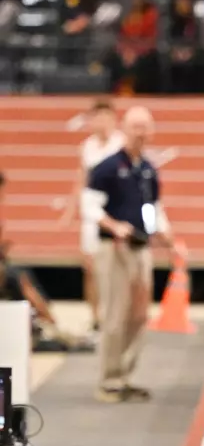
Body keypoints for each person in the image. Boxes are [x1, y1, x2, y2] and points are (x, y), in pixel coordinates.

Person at [86, 107, 182, 403]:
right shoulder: (106, 168)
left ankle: (125, 374)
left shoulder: (148, 169)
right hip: (115, 249)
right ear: (124, 129)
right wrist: (114, 226)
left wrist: (163, 233)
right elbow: (90, 207)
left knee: (139, 314)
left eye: (145, 127)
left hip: (142, 248)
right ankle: (109, 379)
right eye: (135, 127)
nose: (141, 133)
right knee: (116, 313)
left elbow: (151, 207)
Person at [63, 100, 124, 331]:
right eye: (98, 117)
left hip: (115, 211)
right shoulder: (87, 146)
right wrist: (70, 212)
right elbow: (81, 180)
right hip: (92, 212)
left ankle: (115, 313)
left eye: (106, 117)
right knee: (90, 267)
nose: (102, 122)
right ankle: (96, 317)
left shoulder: (121, 144)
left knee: (116, 266)